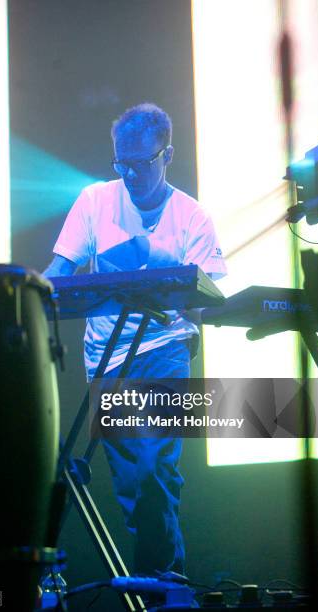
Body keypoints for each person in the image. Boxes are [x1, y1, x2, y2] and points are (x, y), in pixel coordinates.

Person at [44, 102, 226, 576]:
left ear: (168, 155)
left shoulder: (192, 216)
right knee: (133, 477)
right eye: (121, 162)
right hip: (107, 355)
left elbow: (205, 303)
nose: (129, 174)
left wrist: (161, 266)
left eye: (141, 163)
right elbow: (59, 272)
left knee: (155, 467)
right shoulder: (94, 201)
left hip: (163, 349)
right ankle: (161, 580)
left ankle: (164, 581)